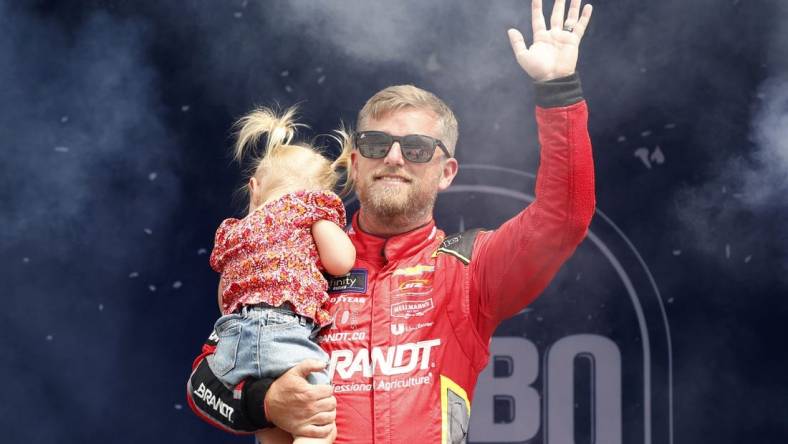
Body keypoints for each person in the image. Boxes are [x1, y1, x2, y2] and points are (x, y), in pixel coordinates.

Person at [186, 0, 595, 442]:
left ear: (446, 172)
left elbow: (563, 218)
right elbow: (202, 386)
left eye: (417, 148)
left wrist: (557, 91)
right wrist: (263, 404)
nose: (395, 157)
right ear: (355, 163)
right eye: (378, 144)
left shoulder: (470, 268)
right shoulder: (294, 258)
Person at [206, 106, 357, 443]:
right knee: (315, 424)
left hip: (234, 341)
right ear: (321, 193)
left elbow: (223, 298)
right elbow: (342, 261)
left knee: (270, 425)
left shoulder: (235, 231)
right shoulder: (310, 208)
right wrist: (326, 227)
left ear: (253, 187)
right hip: (285, 333)